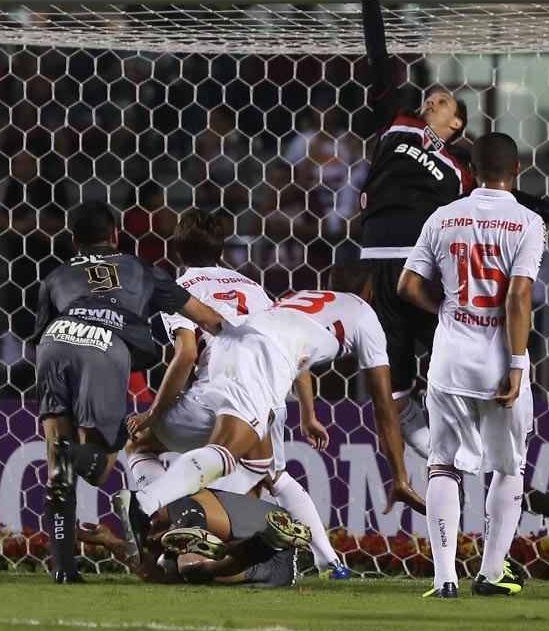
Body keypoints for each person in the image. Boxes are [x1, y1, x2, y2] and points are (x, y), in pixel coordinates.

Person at [345, 0, 549, 459]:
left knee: (451, 360)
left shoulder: (464, 171)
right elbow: (378, 56)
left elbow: (509, 194)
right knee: (392, 385)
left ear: (459, 124)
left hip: (423, 271)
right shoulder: (397, 123)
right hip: (377, 263)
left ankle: (481, 433)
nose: (432, 101)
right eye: (431, 99)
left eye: (444, 102)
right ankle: (440, 450)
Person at [124, 262, 424, 559]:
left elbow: (292, 351)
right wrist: (399, 476)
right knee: (235, 457)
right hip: (265, 364)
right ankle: (147, 505)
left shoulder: (302, 298)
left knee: (260, 468)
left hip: (231, 348)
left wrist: (308, 414)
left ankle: (325, 561)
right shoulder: (364, 313)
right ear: (370, 292)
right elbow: (385, 405)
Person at [122, 209, 351, 579]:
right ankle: (330, 562)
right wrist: (308, 414)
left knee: (139, 445)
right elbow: (293, 351)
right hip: (265, 400)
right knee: (277, 476)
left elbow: (186, 354)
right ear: (221, 249)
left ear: (177, 249)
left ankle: (164, 512)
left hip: (215, 397)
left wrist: (154, 412)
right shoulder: (253, 288)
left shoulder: (181, 290)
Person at [33, 200, 224, 584]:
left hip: (53, 344)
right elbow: (208, 318)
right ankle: (75, 455)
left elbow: (41, 335)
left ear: (75, 241)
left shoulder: (53, 277)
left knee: (59, 471)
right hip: (105, 347)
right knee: (100, 467)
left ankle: (64, 570)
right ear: (116, 235)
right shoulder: (140, 269)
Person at [397, 132, 546, 598]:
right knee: (508, 468)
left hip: (450, 360)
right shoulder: (528, 221)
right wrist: (517, 363)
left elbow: (406, 284)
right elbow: (519, 295)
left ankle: (445, 579)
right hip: (501, 362)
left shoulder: (443, 217)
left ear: (472, 170)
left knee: (443, 465)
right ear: (517, 170)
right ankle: (491, 571)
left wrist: (445, 308)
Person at [77, 489, 312, 587]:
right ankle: (268, 541)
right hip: (269, 565)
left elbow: (181, 502)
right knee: (189, 568)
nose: (153, 525)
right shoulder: (172, 552)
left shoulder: (186, 501)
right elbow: (157, 578)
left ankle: (143, 505)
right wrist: (109, 541)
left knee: (185, 497)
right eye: (148, 533)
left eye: (151, 523)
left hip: (269, 518)